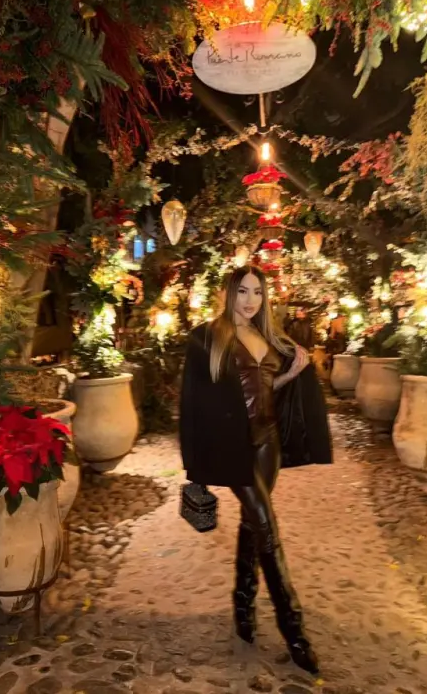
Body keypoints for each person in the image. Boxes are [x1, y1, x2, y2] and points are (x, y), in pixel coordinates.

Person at [179, 266, 333, 675]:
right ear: (229, 293)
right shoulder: (207, 337)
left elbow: (266, 389)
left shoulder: (268, 336)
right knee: (268, 529)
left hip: (269, 444)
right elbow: (194, 402)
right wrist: (196, 463)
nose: (250, 300)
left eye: (258, 292)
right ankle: (294, 631)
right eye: (243, 291)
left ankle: (242, 610)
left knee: (253, 525)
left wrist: (291, 373)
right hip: (236, 447)